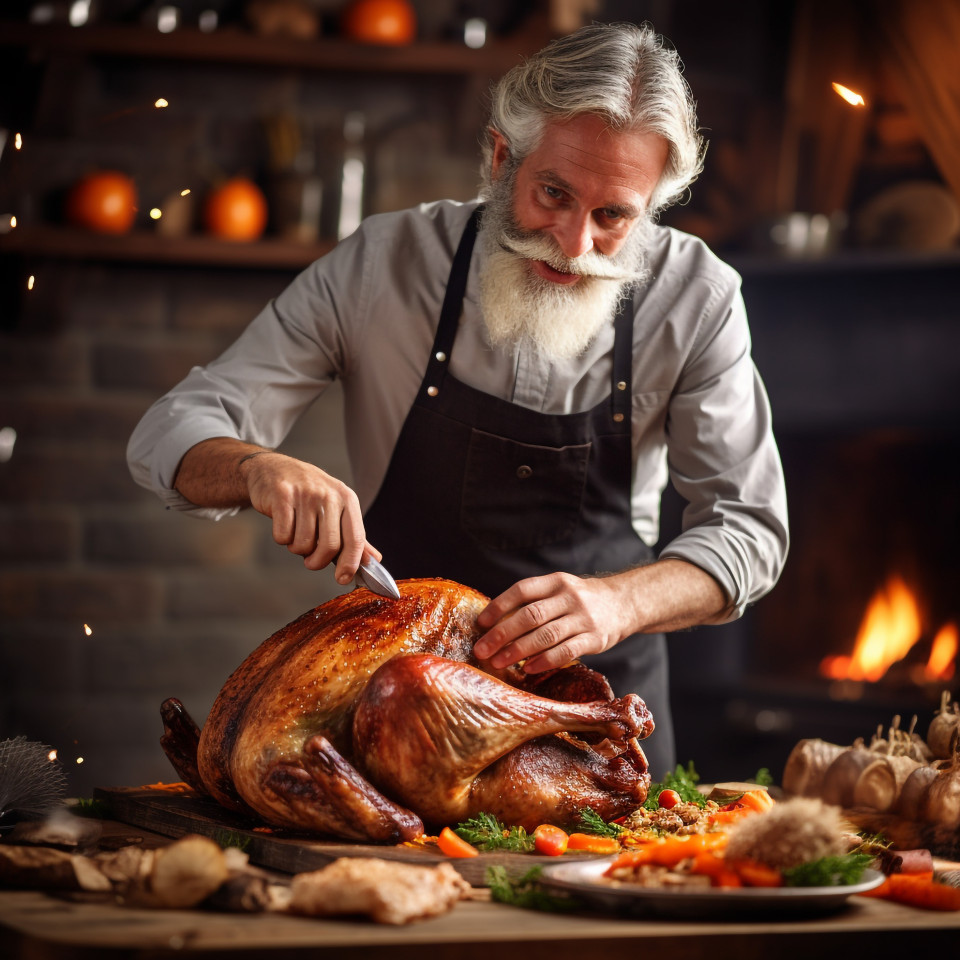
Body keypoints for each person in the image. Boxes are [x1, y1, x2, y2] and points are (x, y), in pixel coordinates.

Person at [127, 22, 789, 779]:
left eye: (613, 216)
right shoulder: (384, 264)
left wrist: (620, 604)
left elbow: (750, 530)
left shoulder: (697, 297)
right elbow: (170, 431)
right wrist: (256, 469)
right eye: (554, 194)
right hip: (396, 718)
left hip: (597, 728)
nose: (574, 243)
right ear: (502, 159)